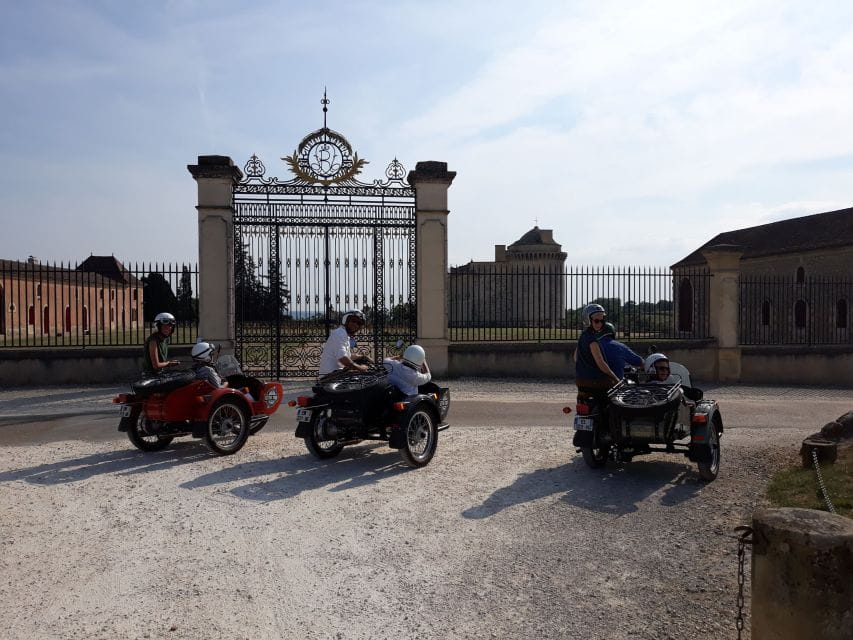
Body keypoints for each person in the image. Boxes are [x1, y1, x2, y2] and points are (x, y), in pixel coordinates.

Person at [574, 303, 620, 391]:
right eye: (596, 321)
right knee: (617, 391)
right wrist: (615, 378)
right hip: (594, 381)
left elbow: (576, 357)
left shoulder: (583, 336)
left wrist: (584, 368)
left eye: (602, 321)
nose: (600, 323)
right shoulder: (592, 341)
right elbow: (601, 363)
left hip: (580, 379)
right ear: (588, 320)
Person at [318, 310, 373, 377]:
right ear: (346, 321)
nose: (355, 324)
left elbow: (347, 356)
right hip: (330, 376)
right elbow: (344, 359)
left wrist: (363, 357)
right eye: (353, 321)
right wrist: (361, 368)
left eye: (359, 323)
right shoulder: (339, 334)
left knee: (363, 363)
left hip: (336, 373)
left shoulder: (344, 335)